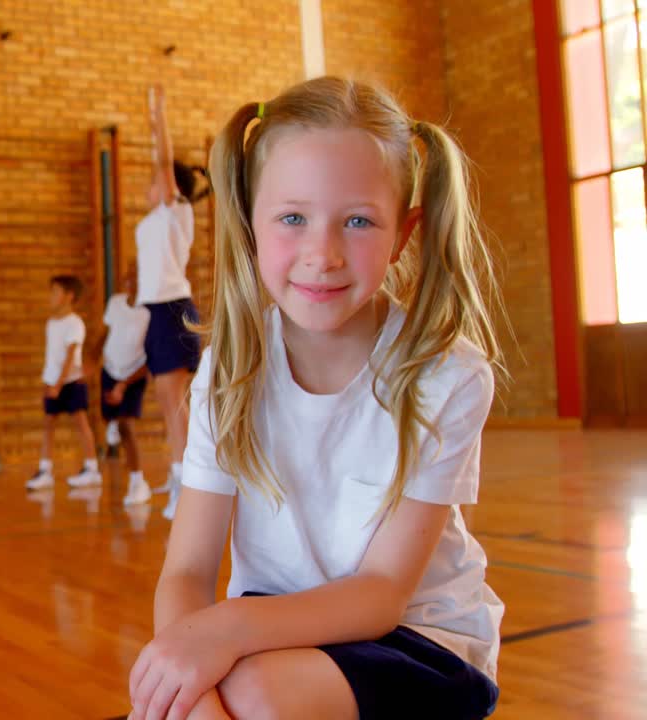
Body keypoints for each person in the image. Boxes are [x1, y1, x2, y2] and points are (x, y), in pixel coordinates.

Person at [129, 77, 505, 720]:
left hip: (417, 641)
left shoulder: (447, 376)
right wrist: (193, 678)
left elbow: (383, 593)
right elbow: (188, 570)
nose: (322, 254)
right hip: (268, 636)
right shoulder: (229, 371)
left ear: (404, 232)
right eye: (293, 218)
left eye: (358, 221)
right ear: (250, 220)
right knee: (184, 697)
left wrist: (219, 639)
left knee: (254, 697)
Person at [137, 83, 211, 519]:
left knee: (174, 401)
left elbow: (162, 160)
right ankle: (178, 472)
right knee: (167, 403)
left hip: (173, 312)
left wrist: (157, 114)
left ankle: (188, 484)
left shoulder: (174, 209)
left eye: (155, 180)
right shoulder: (154, 220)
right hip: (156, 313)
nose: (149, 185)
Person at [25, 275, 101, 491]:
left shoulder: (75, 323)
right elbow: (52, 357)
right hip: (52, 382)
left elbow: (69, 357)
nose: (51, 296)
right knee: (48, 424)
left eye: (55, 292)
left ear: (69, 297)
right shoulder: (51, 323)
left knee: (81, 422)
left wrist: (59, 384)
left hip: (71, 382)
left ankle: (91, 468)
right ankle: (45, 470)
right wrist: (48, 382)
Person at [97, 266, 152, 506]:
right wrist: (91, 359)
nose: (130, 281)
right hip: (110, 369)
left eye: (136, 277)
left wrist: (123, 385)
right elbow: (105, 334)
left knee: (127, 427)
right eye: (127, 277)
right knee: (110, 419)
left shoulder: (149, 312)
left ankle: (139, 483)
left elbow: (151, 358)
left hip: (134, 374)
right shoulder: (116, 303)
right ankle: (112, 424)